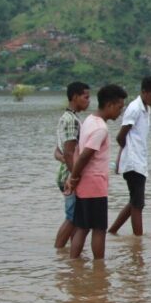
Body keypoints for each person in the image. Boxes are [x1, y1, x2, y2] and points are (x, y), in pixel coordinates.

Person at [66, 84, 128, 260]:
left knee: (82, 227)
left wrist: (75, 178)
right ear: (109, 105)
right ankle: (99, 268)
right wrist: (74, 177)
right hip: (94, 185)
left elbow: (79, 153)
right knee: (99, 229)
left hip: (85, 184)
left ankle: (73, 264)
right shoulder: (100, 128)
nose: (119, 112)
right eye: (119, 108)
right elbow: (85, 155)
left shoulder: (88, 120)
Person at [110, 76, 151, 236]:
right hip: (133, 163)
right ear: (144, 92)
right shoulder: (134, 108)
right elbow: (121, 136)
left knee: (135, 201)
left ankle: (112, 231)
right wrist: (127, 153)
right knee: (138, 204)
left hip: (140, 161)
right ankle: (138, 241)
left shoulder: (147, 109)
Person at [54, 82, 91, 249]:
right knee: (72, 218)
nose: (88, 101)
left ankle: (71, 259)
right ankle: (59, 251)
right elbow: (68, 153)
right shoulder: (71, 120)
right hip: (69, 175)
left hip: (66, 173)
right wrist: (74, 177)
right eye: (86, 97)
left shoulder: (68, 117)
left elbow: (57, 151)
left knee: (76, 218)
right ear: (75, 97)